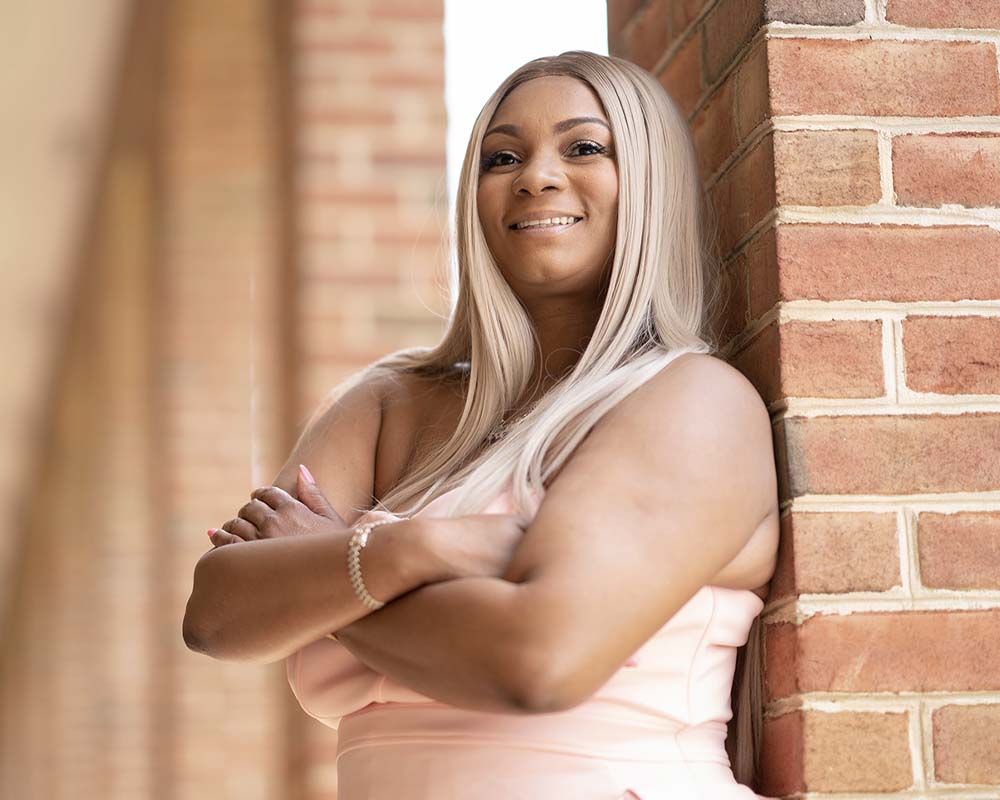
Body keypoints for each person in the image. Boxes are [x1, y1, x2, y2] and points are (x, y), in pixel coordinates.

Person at [184, 50, 780, 799]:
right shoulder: (390, 401)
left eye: (584, 147)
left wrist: (328, 578)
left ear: (651, 186)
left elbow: (537, 661)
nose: (537, 175)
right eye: (503, 156)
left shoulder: (693, 402)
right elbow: (217, 613)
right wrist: (417, 549)